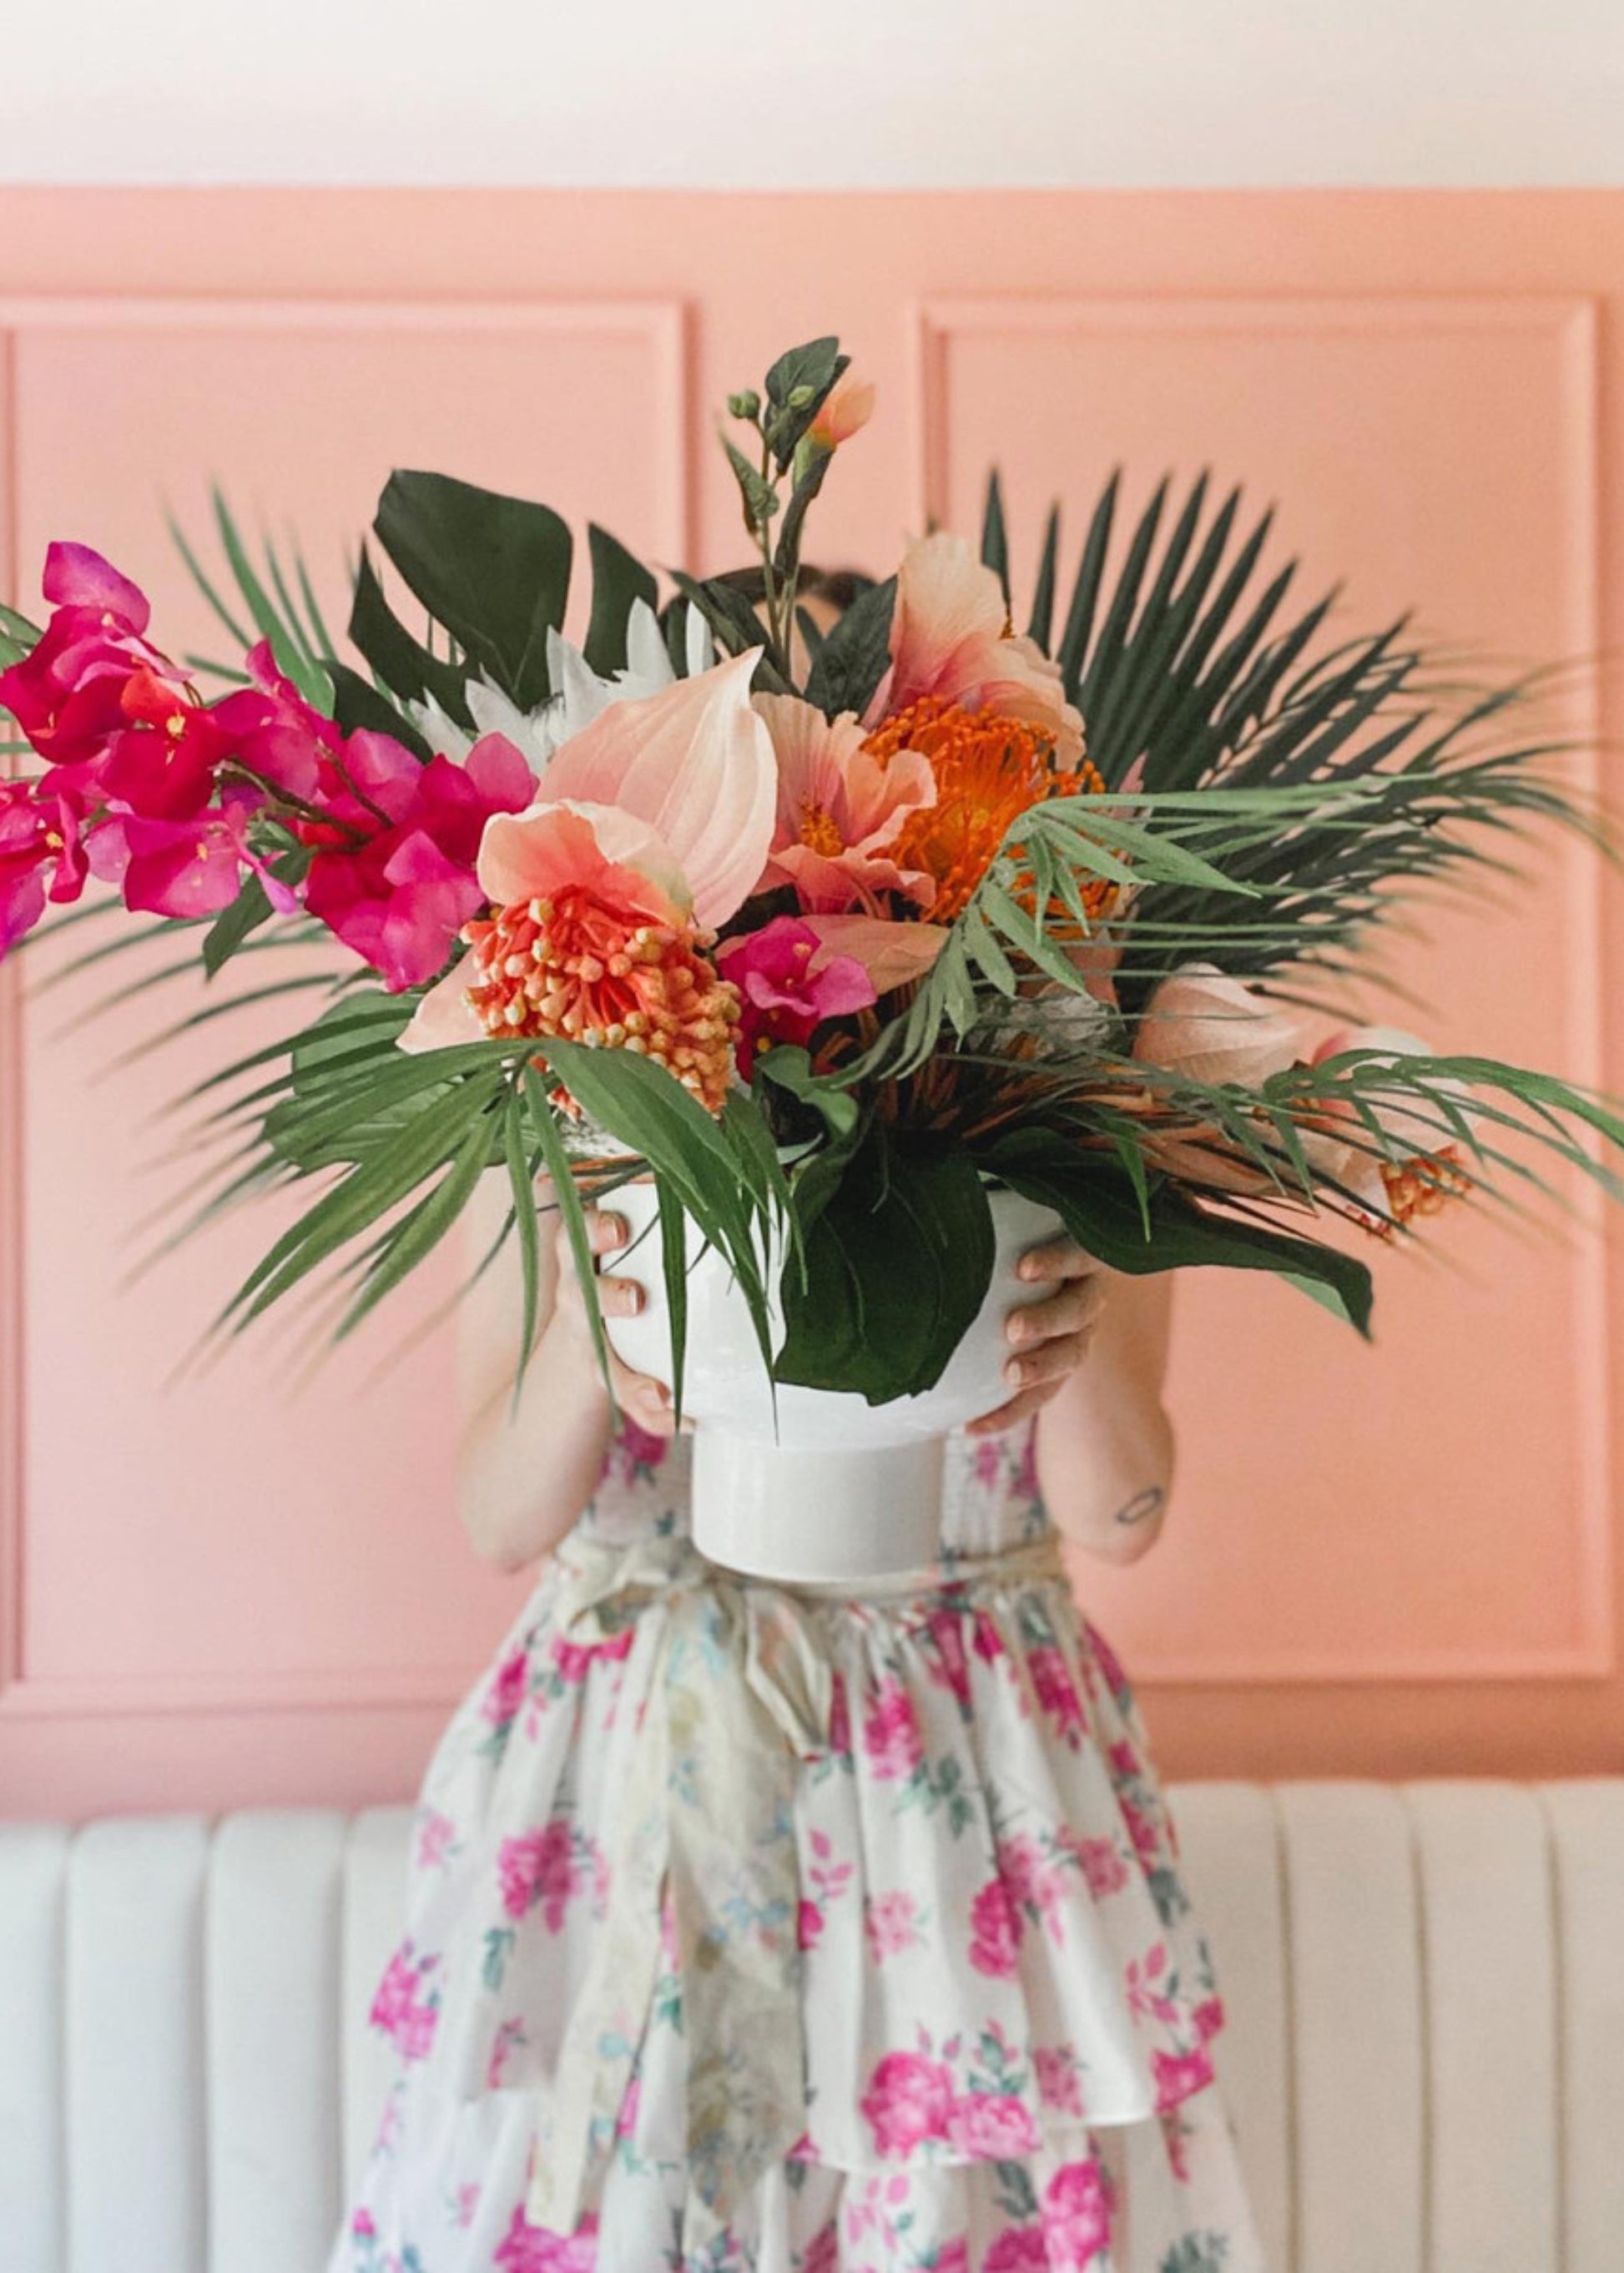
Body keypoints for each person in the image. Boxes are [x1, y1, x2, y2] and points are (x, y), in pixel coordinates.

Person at [335, 1177, 1264, 2273]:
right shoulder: (551, 1096)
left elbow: (1119, 1516)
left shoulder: (1076, 1106)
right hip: (635, 1771)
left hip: (963, 1784)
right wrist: (591, 1335)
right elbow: (501, 1520)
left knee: (953, 2190)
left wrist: (1076, 1303)